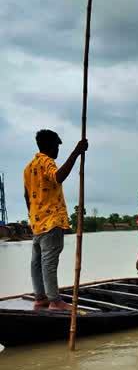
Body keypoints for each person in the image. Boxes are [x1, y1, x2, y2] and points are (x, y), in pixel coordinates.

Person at [23, 129, 88, 311]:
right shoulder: (46, 161)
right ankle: (54, 301)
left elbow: (26, 196)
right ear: (51, 146)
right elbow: (58, 177)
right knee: (49, 263)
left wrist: (33, 217)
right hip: (51, 222)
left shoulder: (28, 168)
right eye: (57, 146)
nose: (58, 150)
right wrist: (76, 152)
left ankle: (40, 297)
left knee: (37, 262)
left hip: (37, 223)